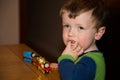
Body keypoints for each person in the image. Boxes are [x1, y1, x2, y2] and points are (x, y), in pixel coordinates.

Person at [50, 0, 108, 80]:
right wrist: (63, 67)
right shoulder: (82, 55)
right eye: (67, 26)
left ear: (98, 33)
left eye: (80, 28)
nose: (70, 33)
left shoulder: (90, 61)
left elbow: (71, 78)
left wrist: (66, 58)